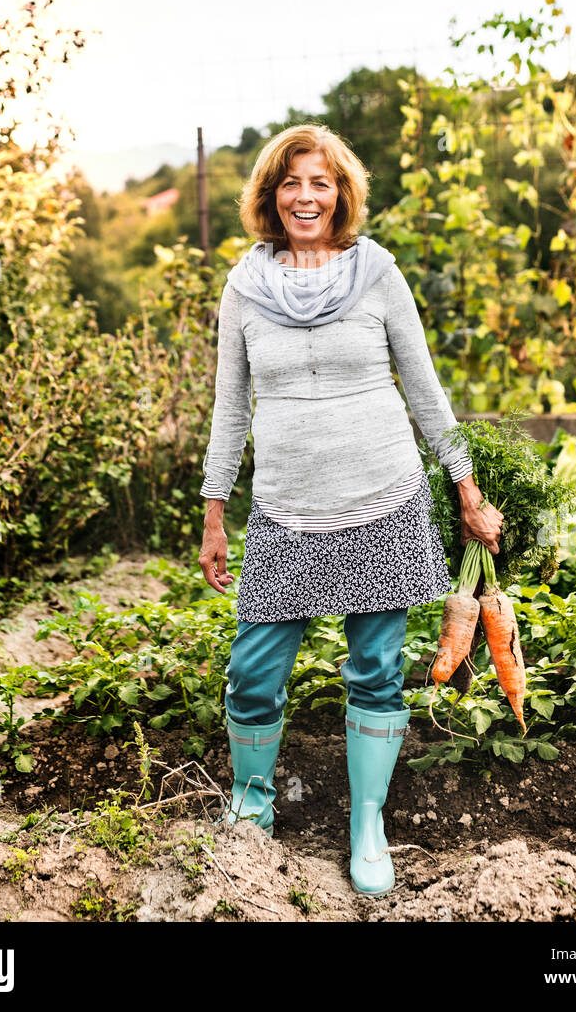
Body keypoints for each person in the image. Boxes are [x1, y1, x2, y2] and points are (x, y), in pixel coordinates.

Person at [199, 123, 503, 897]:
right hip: (286, 510)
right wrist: (213, 510)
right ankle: (252, 804)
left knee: (375, 671)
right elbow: (229, 408)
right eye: (292, 182)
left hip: (381, 497)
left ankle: (367, 824)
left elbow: (424, 387)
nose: (306, 196)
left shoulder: (376, 272)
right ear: (272, 195)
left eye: (321, 182)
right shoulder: (244, 286)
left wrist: (466, 486)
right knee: (253, 672)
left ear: (342, 195)